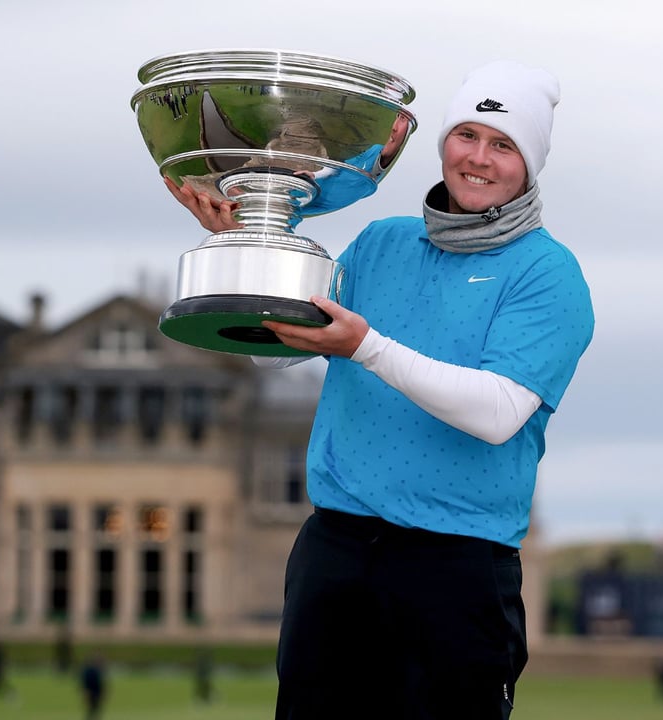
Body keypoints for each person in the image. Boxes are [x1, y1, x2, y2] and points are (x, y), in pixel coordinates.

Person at [168, 60, 594, 719]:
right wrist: (252, 255)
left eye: (503, 144)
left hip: (456, 567)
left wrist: (367, 347)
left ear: (530, 163)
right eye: (466, 135)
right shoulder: (380, 243)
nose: (478, 158)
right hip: (334, 555)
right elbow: (281, 356)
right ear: (443, 142)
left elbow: (498, 413)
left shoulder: (548, 273)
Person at [78, 653, 107, 720]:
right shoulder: (90, 670)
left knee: (94, 709)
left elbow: (100, 683)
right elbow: (86, 682)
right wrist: (85, 691)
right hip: (92, 692)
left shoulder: (96, 670)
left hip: (95, 692)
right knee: (92, 708)